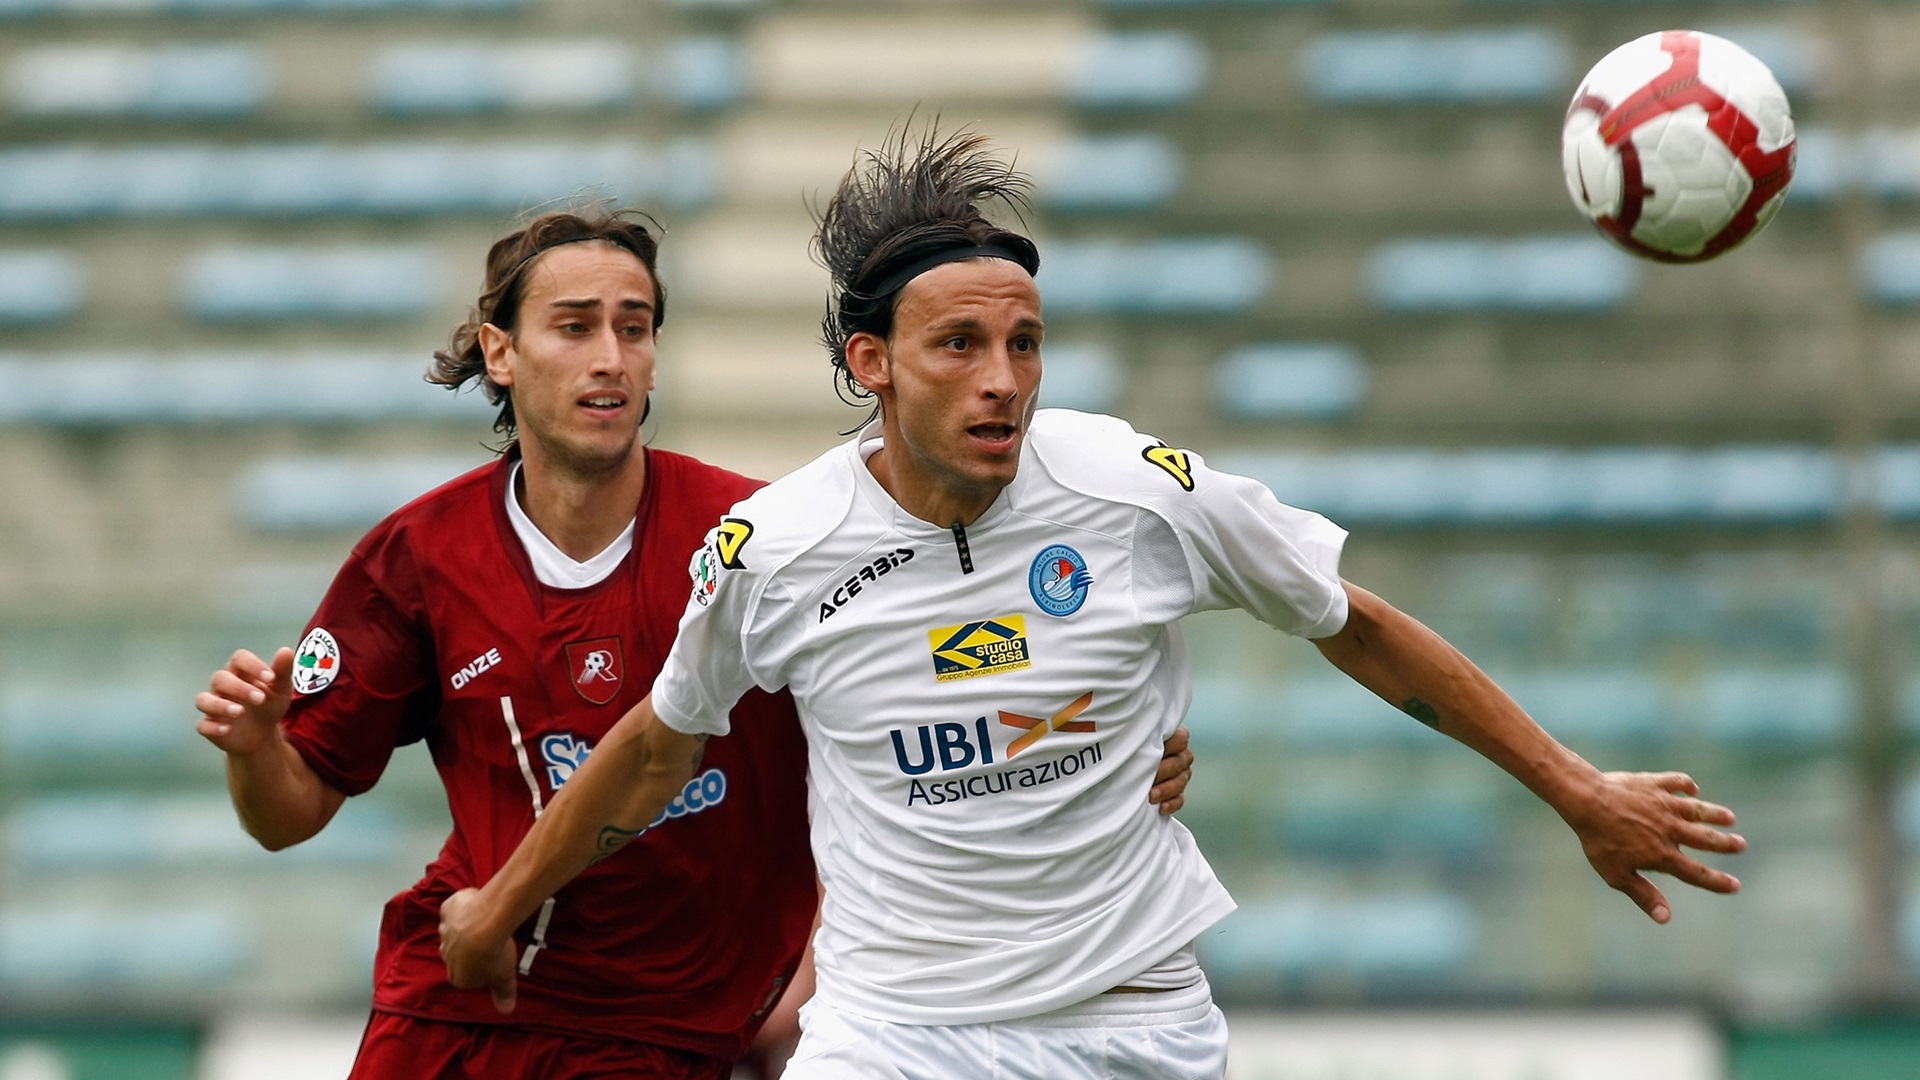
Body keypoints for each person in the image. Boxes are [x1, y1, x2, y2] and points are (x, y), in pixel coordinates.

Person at [437, 132, 1745, 1079]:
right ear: (871, 362)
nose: (1003, 380)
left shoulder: (1130, 490)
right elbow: (658, 748)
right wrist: (502, 905)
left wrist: (1578, 789)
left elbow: (1354, 625)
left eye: (1026, 343)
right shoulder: (775, 550)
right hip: (896, 1036)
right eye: (960, 346)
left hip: (1130, 1022)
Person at [190, 203, 1205, 1079]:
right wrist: (255, 750)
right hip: (459, 1005)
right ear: (500, 352)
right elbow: (288, 816)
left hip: (670, 1032)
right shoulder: (416, 558)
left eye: (634, 328)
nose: (610, 357)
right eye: (575, 326)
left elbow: (938, 682)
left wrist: (1110, 735)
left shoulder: (768, 543)